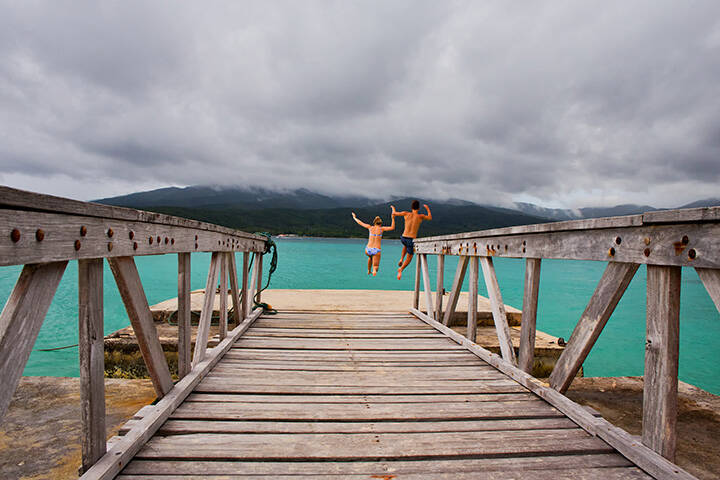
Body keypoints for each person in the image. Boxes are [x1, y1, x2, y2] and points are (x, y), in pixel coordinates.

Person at [352, 206, 396, 276]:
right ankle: (374, 270)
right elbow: (392, 227)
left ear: (374, 223)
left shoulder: (370, 227)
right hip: (376, 250)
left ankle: (369, 270)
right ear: (380, 223)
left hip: (368, 249)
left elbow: (360, 222)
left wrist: (354, 217)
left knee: (370, 257)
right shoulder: (382, 229)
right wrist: (393, 218)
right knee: (376, 267)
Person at [394, 200, 432, 280]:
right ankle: (401, 269)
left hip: (403, 237)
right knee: (409, 257)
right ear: (418, 208)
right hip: (411, 239)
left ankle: (401, 258)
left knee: (405, 245)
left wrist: (393, 209)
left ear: (411, 207)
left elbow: (394, 213)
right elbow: (429, 217)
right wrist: (427, 209)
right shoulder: (420, 216)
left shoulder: (406, 213)